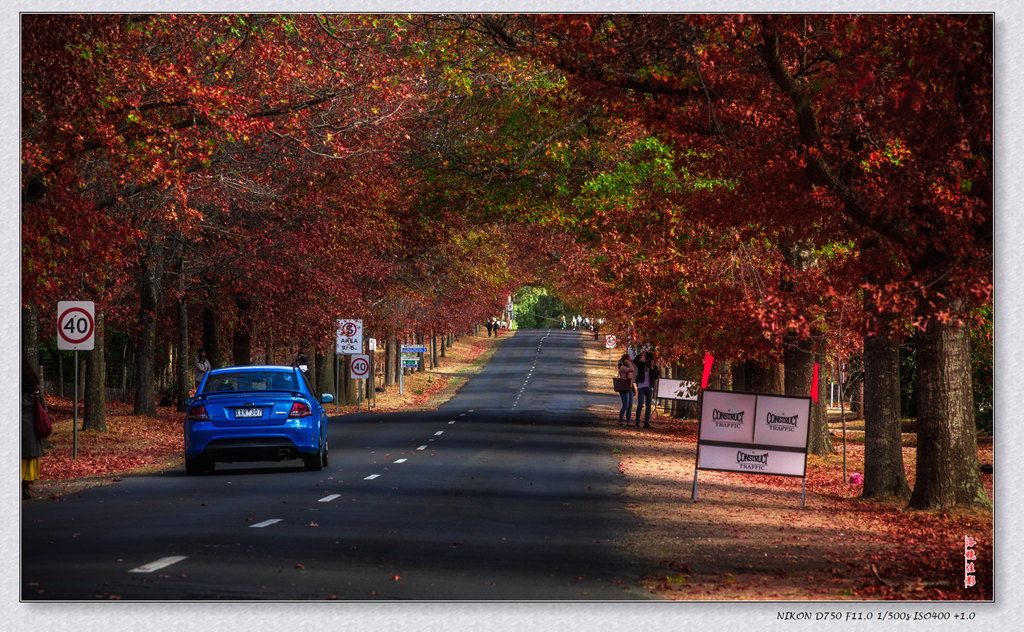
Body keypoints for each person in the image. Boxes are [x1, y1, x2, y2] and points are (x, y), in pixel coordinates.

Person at [22, 358, 46, 500]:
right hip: (30, 428)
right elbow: (42, 406)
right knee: (28, 459)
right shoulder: (35, 389)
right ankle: (25, 488)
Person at [633, 351, 659, 428]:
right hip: (641, 386)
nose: (649, 361)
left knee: (648, 406)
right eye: (648, 360)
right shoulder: (642, 365)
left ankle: (646, 423)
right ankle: (637, 423)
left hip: (649, 387)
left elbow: (656, 376)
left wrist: (651, 368)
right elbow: (635, 361)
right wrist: (641, 354)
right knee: (640, 404)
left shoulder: (654, 367)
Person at [616, 353, 637, 426]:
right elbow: (632, 369)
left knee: (630, 405)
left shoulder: (627, 367)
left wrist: (633, 389)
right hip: (624, 388)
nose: (630, 360)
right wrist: (629, 363)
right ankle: (620, 420)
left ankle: (628, 421)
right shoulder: (622, 367)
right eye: (628, 359)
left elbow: (631, 379)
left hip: (630, 388)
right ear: (625, 360)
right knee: (625, 405)